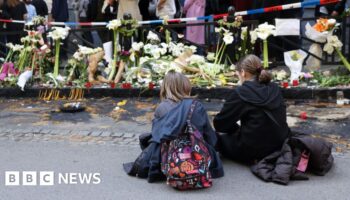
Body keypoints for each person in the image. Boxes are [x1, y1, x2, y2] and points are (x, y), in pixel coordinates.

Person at [124, 71, 224, 182]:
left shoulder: (162, 108)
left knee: (147, 138)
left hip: (168, 158)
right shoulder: (197, 106)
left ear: (166, 88)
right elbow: (208, 134)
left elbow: (157, 137)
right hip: (197, 154)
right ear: (186, 86)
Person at [213, 55, 289, 163]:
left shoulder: (241, 92)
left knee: (217, 138)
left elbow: (220, 124)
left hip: (253, 150)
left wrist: (236, 129)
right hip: (280, 144)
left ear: (243, 72)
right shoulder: (274, 87)